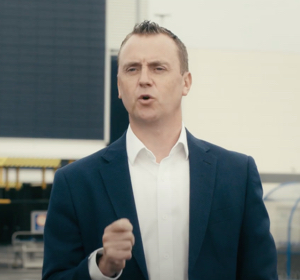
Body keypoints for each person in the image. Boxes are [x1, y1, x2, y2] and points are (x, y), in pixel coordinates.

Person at [42, 21, 277, 280]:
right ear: (119, 86)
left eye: (158, 68)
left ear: (186, 83)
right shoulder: (74, 182)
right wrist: (101, 267)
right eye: (132, 69)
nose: (144, 79)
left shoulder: (237, 175)